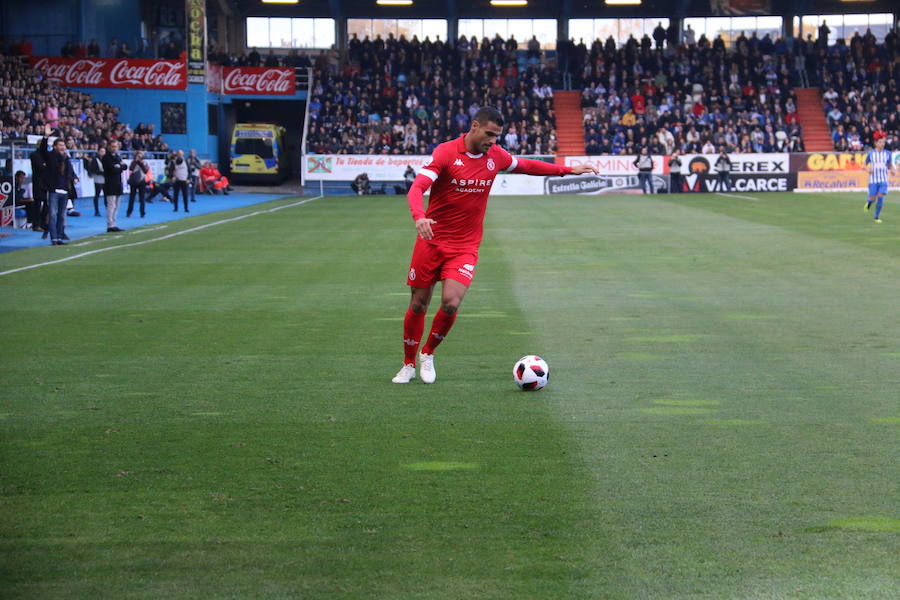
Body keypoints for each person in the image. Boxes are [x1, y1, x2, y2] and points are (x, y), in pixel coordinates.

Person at [391, 106, 597, 384]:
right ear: (474, 126)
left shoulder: (495, 156)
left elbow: (527, 165)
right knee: (418, 304)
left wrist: (568, 169)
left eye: (497, 136)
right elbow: (417, 188)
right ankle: (407, 364)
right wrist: (420, 217)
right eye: (489, 134)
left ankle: (428, 354)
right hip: (431, 240)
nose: (493, 141)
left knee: (451, 303)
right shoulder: (446, 152)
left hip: (465, 245)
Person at [44, 138, 78, 245]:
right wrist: (45, 138)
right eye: (60, 145)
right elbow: (43, 151)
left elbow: (71, 171)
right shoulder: (51, 157)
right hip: (54, 190)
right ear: (55, 147)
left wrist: (74, 178)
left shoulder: (66, 158)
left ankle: (59, 237)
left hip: (64, 190)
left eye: (63, 145)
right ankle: (53, 238)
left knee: (62, 215)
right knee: (53, 214)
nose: (62, 147)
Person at [864, 131, 893, 223]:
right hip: (873, 180)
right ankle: (868, 204)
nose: (882, 144)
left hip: (883, 179)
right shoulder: (871, 153)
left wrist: (891, 170)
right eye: (880, 142)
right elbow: (864, 164)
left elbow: (890, 165)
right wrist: (868, 170)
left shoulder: (888, 153)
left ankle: (876, 217)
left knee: (880, 197)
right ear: (876, 143)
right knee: (873, 198)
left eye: (883, 142)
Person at [102, 140, 127, 232]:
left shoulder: (117, 156)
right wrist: (119, 167)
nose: (114, 148)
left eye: (115, 146)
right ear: (109, 147)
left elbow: (125, 167)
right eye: (112, 146)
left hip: (118, 183)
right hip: (110, 184)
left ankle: (114, 223)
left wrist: (119, 167)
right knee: (111, 205)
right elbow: (112, 169)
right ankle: (110, 224)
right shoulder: (106, 157)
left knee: (117, 205)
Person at [29, 134, 50, 235]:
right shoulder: (34, 155)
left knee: (46, 204)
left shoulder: (45, 155)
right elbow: (41, 167)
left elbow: (48, 166)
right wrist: (46, 166)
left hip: (46, 182)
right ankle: (36, 225)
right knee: (37, 204)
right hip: (38, 182)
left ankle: (44, 223)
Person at [126, 151, 148, 218]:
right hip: (134, 181)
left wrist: (140, 163)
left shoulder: (144, 162)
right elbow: (131, 169)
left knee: (142, 198)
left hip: (142, 181)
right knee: (132, 197)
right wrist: (136, 162)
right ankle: (129, 212)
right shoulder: (133, 162)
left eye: (140, 156)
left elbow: (145, 171)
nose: (139, 157)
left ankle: (142, 212)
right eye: (138, 156)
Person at [84, 147, 105, 216]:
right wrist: (101, 172)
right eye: (101, 151)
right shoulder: (95, 159)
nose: (102, 153)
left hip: (105, 179)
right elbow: (92, 169)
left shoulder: (106, 159)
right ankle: (96, 211)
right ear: (98, 152)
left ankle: (108, 209)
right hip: (98, 179)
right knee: (97, 194)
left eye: (103, 151)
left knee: (106, 195)